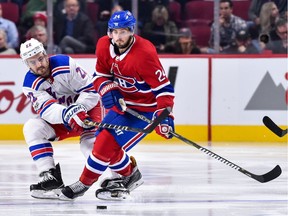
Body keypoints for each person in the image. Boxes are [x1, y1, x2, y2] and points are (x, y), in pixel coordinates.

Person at [59, 10, 175, 201]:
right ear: (109, 32)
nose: (119, 36)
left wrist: (165, 117)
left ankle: (83, 184)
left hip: (144, 111)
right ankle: (130, 175)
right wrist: (108, 88)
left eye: (123, 32)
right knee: (102, 143)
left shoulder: (145, 53)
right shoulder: (103, 46)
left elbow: (164, 90)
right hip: (122, 107)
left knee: (105, 146)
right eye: (115, 32)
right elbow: (100, 76)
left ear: (131, 31)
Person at [20, 38, 105, 199]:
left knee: (89, 145)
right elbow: (46, 109)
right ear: (27, 65)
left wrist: (79, 108)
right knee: (32, 127)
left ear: (45, 55)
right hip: (65, 119)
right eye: (32, 62)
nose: (39, 64)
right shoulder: (30, 84)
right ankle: (51, 177)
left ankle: (115, 178)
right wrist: (68, 113)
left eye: (40, 58)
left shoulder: (64, 64)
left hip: (90, 110)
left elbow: (91, 90)